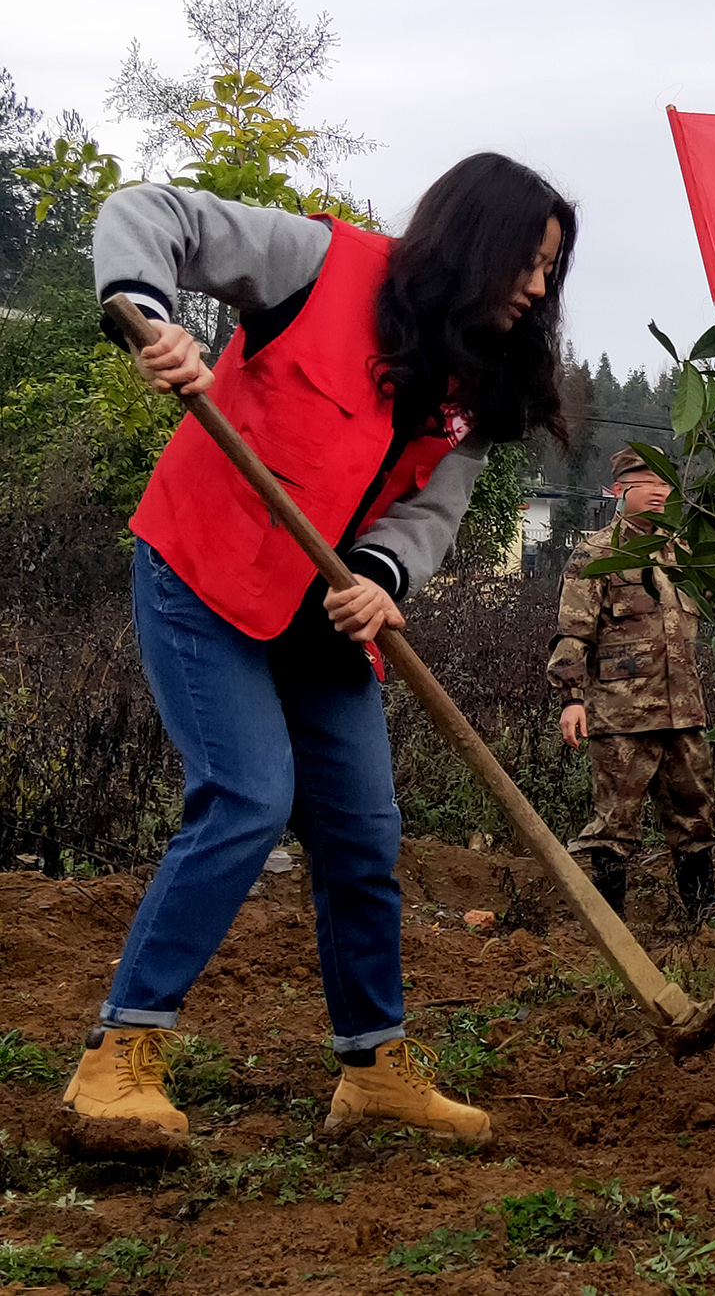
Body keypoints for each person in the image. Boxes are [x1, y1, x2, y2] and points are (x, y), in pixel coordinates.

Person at [66, 156, 576, 1148]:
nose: (537, 286)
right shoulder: (321, 262)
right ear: (474, 234)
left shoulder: (477, 376)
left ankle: (374, 1070)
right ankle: (118, 1057)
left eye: (552, 270)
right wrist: (146, 310)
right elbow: (149, 212)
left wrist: (382, 575)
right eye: (528, 259)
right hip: (203, 571)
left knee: (361, 828)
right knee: (248, 795)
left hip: (323, 610)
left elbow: (433, 504)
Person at [547, 447, 715, 918]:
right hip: (622, 716)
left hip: (684, 711)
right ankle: (611, 929)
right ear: (621, 490)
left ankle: (701, 917)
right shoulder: (597, 554)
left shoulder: (683, 554)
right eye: (647, 482)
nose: (660, 491)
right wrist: (571, 699)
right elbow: (574, 630)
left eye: (665, 483)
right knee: (614, 825)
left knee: (695, 817)